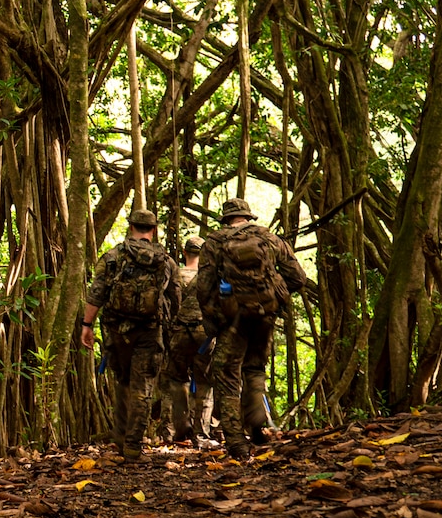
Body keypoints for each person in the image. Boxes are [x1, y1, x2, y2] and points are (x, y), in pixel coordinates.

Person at [194, 198, 309, 461]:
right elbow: (298, 278)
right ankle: (257, 425)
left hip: (233, 320)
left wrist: (214, 318)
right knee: (255, 368)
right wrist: (273, 298)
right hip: (264, 317)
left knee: (226, 375)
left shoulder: (214, 242)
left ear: (226, 219)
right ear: (248, 217)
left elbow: (204, 287)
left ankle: (236, 442)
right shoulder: (270, 239)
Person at [81, 208, 179, 462]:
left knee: (123, 382)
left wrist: (86, 325)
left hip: (116, 331)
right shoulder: (165, 261)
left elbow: (97, 293)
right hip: (149, 331)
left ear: (131, 227)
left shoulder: (113, 257)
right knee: (143, 387)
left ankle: (120, 440)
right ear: (153, 230)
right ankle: (133, 446)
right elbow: (175, 299)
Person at [164, 236, 213, 445]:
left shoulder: (174, 275)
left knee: (176, 380)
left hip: (178, 333)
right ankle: (201, 433)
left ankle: (178, 427)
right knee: (205, 382)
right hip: (204, 333)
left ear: (185, 253)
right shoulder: (208, 277)